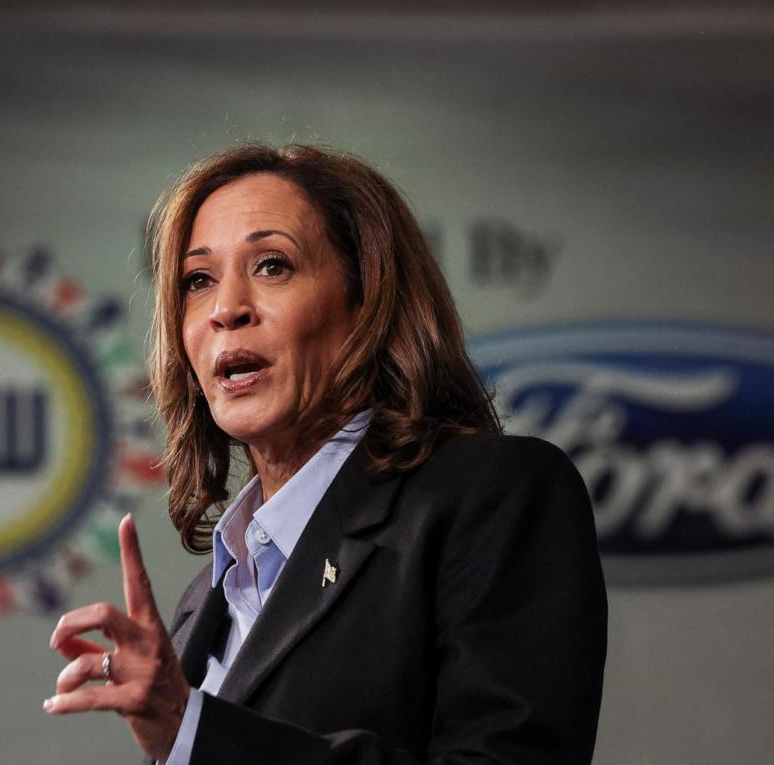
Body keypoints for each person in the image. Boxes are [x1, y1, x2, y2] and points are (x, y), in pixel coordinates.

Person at [44, 144, 607, 764]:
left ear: (368, 300)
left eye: (272, 266)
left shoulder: (491, 499)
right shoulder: (205, 600)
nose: (226, 309)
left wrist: (196, 731)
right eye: (198, 280)